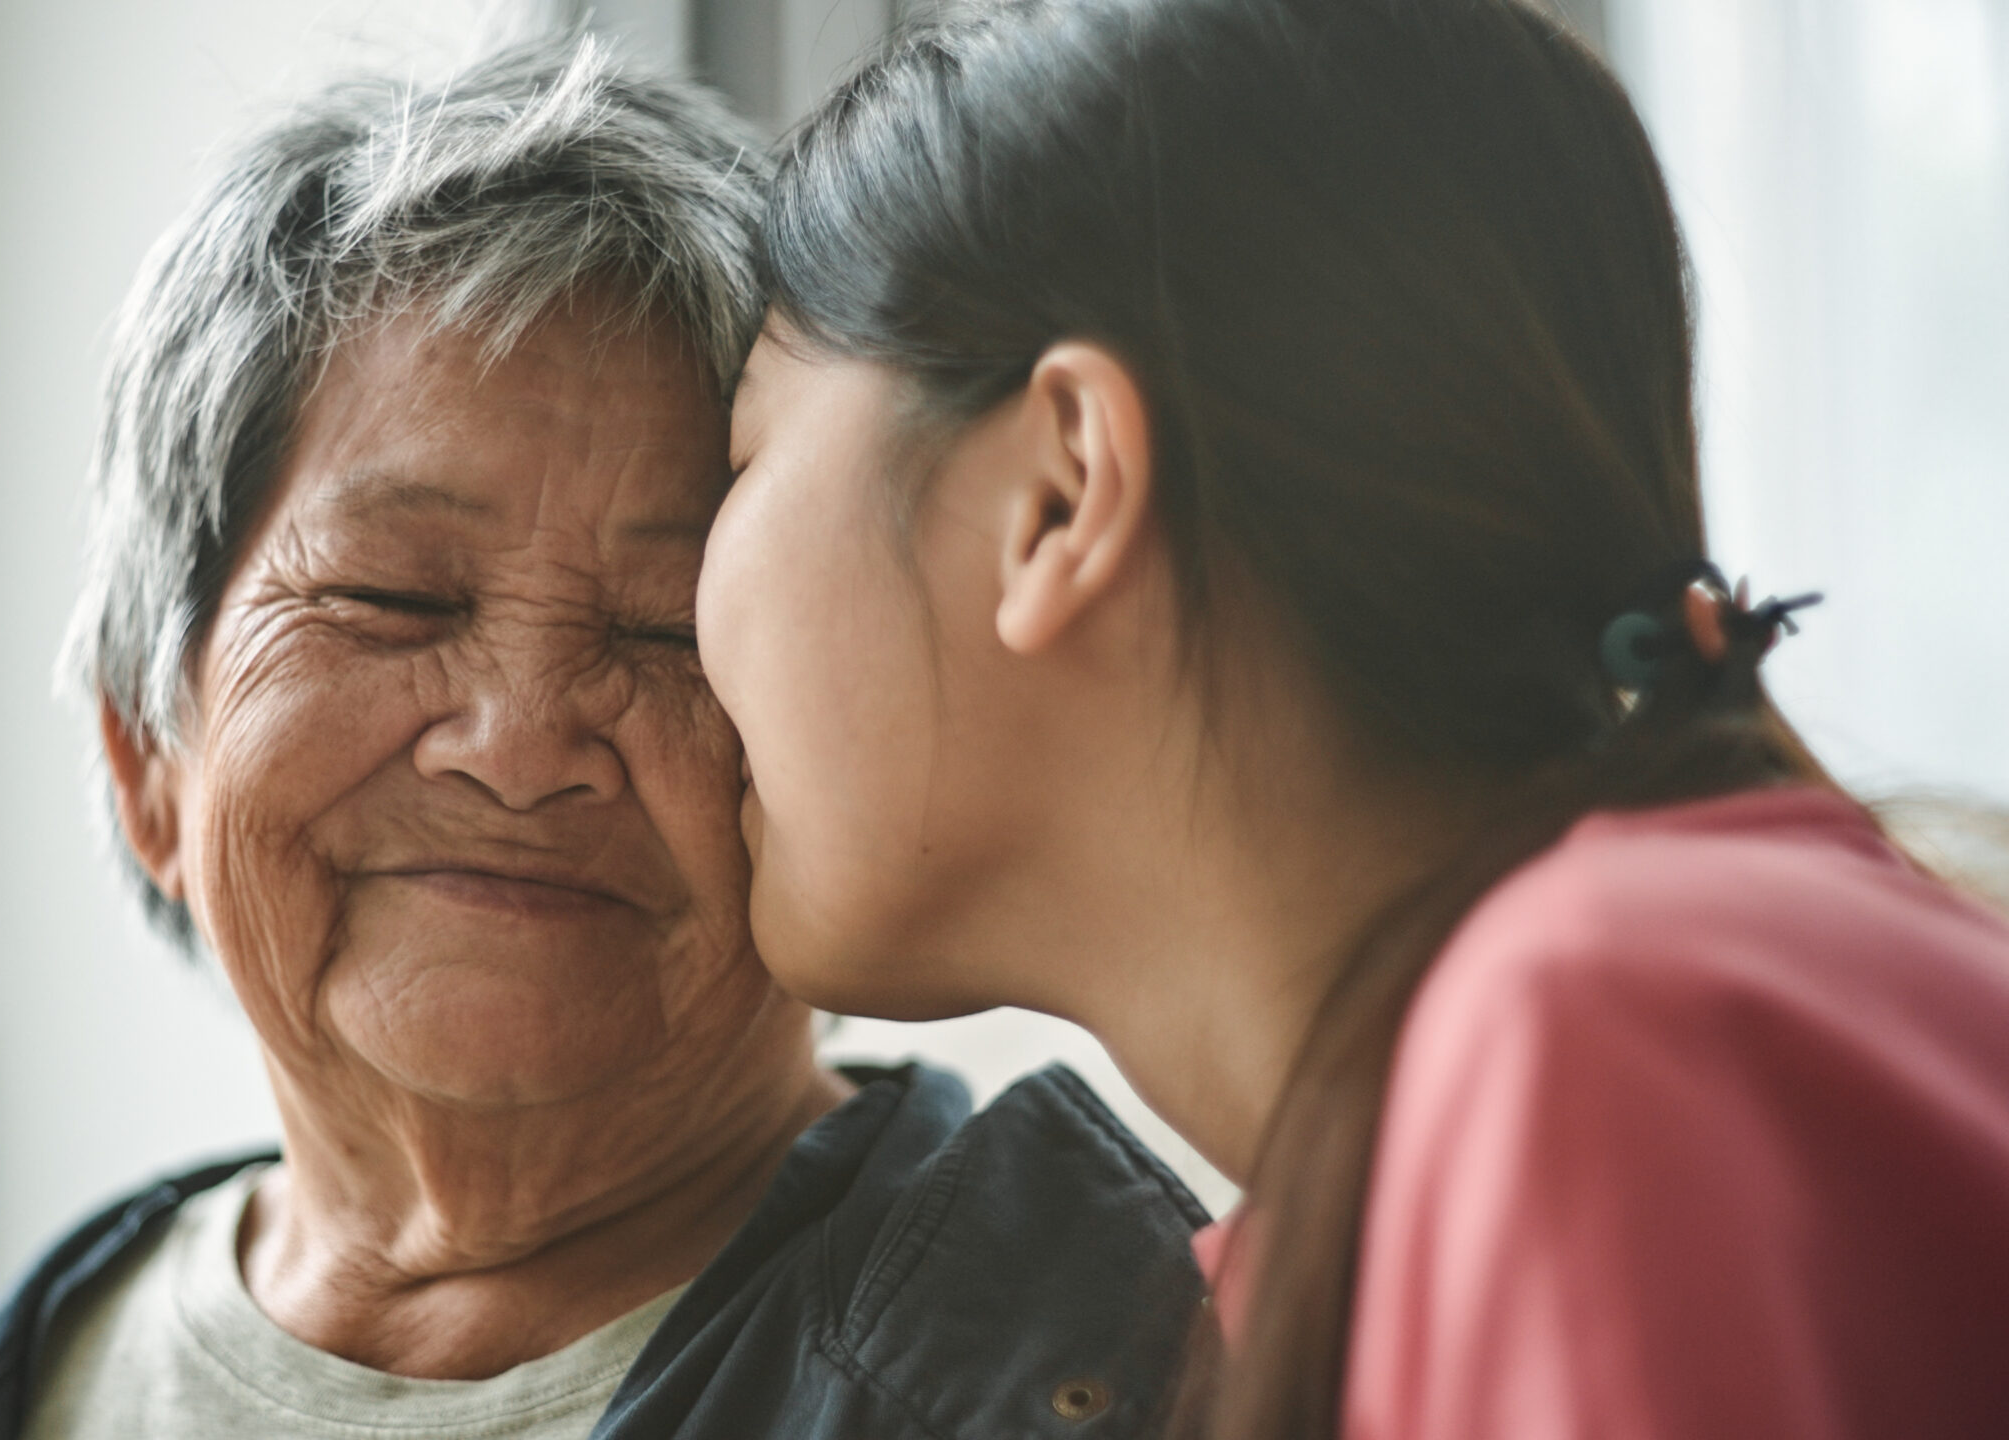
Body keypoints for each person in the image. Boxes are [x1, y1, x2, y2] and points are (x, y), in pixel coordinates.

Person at [0, 35, 1211, 1440]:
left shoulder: (1139, 1364)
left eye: (667, 632)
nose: (520, 746)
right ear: (150, 757)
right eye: (390, 598)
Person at [694, 1, 2009, 1436]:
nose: (672, 612)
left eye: (743, 451)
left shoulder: (1586, 1045)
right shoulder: (1449, 1147)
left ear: (1059, 495)